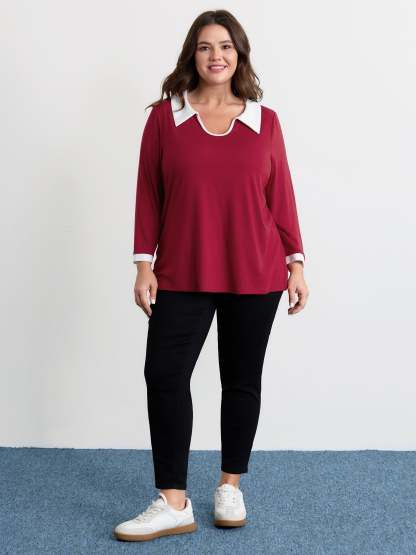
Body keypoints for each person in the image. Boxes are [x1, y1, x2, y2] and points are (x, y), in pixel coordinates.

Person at [114, 8, 309, 543]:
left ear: (239, 54)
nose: (216, 55)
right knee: (164, 374)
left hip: (256, 271)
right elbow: (148, 193)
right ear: (192, 55)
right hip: (181, 270)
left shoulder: (265, 121)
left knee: (241, 380)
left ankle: (230, 486)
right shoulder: (165, 118)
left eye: (225, 46)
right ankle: (173, 502)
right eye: (205, 46)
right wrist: (143, 263)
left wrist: (295, 262)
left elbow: (281, 196)